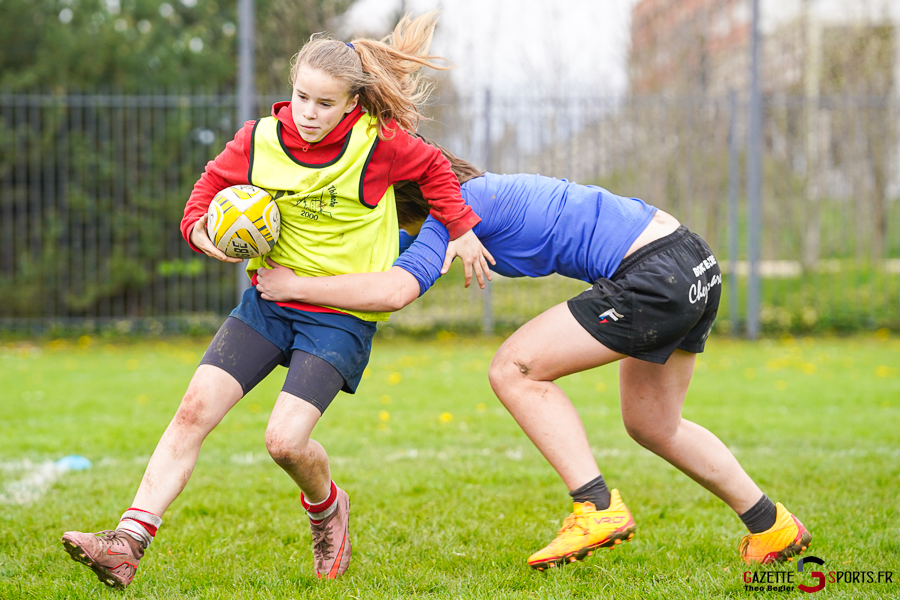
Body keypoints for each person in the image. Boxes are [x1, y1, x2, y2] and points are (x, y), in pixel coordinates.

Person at [60, 14, 494, 589]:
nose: (310, 113)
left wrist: (461, 228)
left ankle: (327, 506)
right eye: (301, 97)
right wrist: (205, 237)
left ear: (350, 104)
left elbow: (437, 169)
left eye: (325, 103)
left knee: (284, 443)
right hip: (268, 304)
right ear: (291, 89)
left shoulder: (376, 145)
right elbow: (201, 199)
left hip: (339, 317)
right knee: (192, 412)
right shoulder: (258, 141)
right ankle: (128, 541)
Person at [254, 141, 813, 571]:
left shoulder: (456, 213)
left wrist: (292, 286)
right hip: (692, 261)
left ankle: (595, 507)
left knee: (513, 368)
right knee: (653, 423)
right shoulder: (474, 198)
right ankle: (771, 526)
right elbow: (378, 266)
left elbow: (393, 291)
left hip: (652, 273)